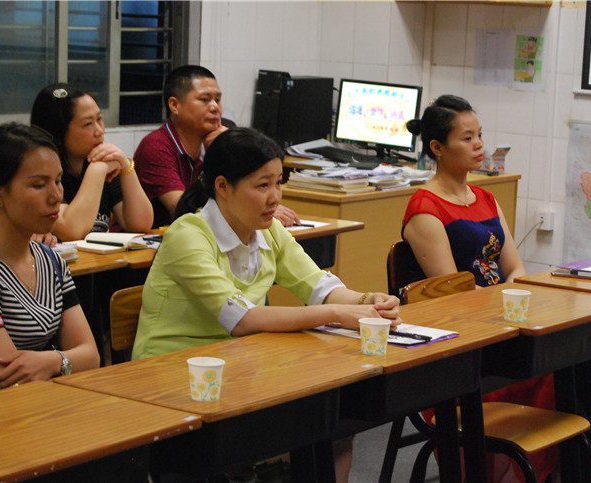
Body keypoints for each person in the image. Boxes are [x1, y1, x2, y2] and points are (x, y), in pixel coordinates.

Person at [132, 127, 401, 483]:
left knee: (334, 427)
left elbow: (319, 286)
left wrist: (369, 301)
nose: (275, 198)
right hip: (173, 378)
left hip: (238, 368)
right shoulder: (188, 235)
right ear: (222, 186)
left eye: (278, 183)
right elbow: (243, 318)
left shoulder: (269, 230)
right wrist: (339, 314)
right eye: (262, 185)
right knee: (312, 429)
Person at [402, 95, 591, 483]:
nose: (479, 145)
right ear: (437, 148)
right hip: (466, 348)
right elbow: (453, 295)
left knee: (583, 358)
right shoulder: (425, 208)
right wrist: (503, 304)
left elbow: (515, 268)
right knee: (561, 366)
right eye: (467, 138)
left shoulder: (486, 198)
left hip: (503, 324)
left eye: (480, 135)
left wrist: (511, 297)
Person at [0, 123, 100, 387]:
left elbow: (91, 356)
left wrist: (51, 361)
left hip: (40, 400)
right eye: (39, 185)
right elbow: (10, 377)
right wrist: (66, 361)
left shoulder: (50, 260)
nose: (56, 196)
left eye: (58, 181)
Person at [133, 65, 299, 228]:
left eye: (217, 100)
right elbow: (182, 210)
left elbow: (243, 188)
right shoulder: (156, 146)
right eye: (204, 100)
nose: (214, 107)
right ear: (175, 105)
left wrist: (229, 147)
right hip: (161, 239)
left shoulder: (214, 140)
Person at [31, 83, 153, 241]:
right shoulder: (44, 173)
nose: (99, 131)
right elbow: (72, 231)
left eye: (99, 119)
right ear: (58, 132)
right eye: (88, 124)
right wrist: (97, 171)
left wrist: (125, 166)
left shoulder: (102, 162)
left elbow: (141, 224)